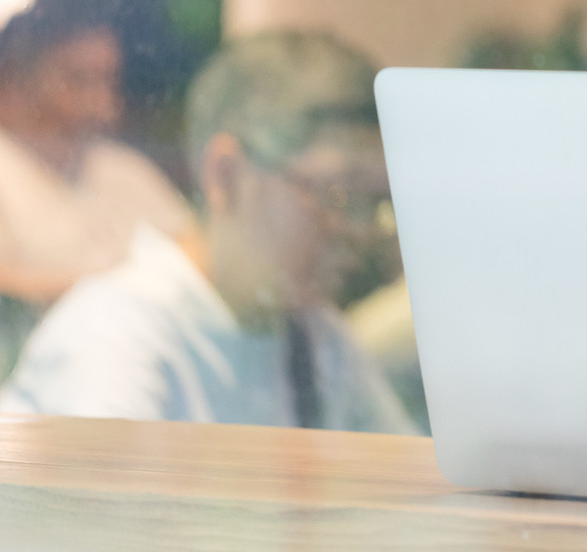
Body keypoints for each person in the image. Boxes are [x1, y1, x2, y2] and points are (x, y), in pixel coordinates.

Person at [0, 31, 417, 433]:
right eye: (336, 192)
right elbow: (98, 504)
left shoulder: (320, 343)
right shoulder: (116, 335)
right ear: (227, 174)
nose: (358, 230)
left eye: (374, 202)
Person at [0, 8, 192, 335]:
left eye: (108, 79)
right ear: (13, 85)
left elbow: (195, 253)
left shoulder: (122, 168)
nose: (101, 101)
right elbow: (10, 296)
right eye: (78, 79)